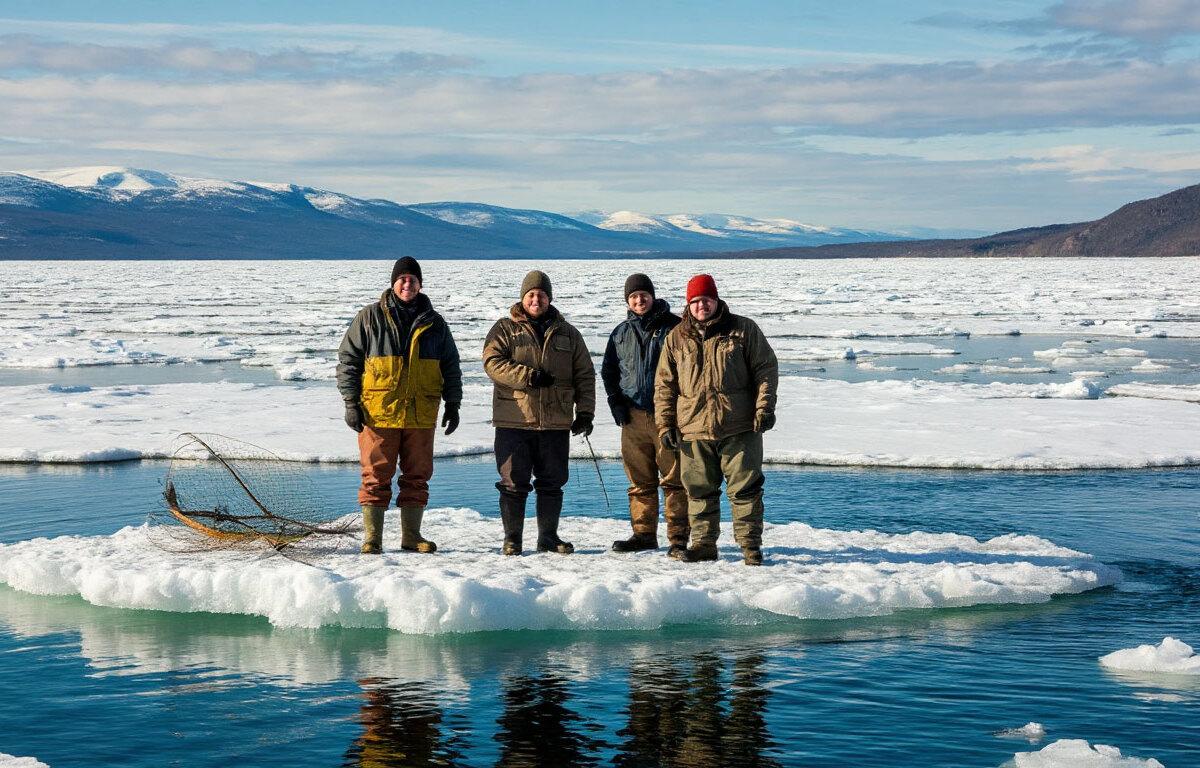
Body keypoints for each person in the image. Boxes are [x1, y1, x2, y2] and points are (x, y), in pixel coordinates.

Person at [337, 256, 462, 554]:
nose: (408, 284)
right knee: (375, 476)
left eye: (413, 279)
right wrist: (351, 402)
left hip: (420, 413)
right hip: (378, 412)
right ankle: (373, 538)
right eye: (402, 279)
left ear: (420, 284)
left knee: (417, 476)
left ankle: (411, 536)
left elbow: (451, 365)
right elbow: (348, 362)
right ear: (393, 283)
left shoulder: (435, 323)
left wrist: (453, 403)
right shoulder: (369, 318)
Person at [654, 274, 778, 565]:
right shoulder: (677, 337)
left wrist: (764, 408)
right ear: (688, 304)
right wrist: (665, 424)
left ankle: (750, 547)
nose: (701, 306)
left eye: (706, 300)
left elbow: (766, 370)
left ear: (716, 300)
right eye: (695, 301)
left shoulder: (743, 329)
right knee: (699, 491)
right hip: (693, 427)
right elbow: (664, 385)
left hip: (739, 426)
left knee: (745, 490)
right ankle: (704, 545)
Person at [482, 270, 596, 555]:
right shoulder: (505, 329)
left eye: (542, 295)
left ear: (549, 298)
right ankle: (512, 539)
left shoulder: (568, 334)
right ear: (523, 298)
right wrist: (528, 376)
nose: (536, 299)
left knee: (552, 481)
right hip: (514, 419)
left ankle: (548, 536)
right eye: (531, 294)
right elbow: (492, 363)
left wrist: (585, 413)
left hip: (555, 421)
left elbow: (585, 375)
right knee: (513, 481)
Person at [601, 273, 688, 556]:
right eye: (633, 296)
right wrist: (615, 401)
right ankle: (643, 534)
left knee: (674, 479)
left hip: (668, 416)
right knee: (639, 481)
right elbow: (609, 371)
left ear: (652, 295)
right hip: (633, 416)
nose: (639, 300)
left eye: (643, 295)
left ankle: (677, 538)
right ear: (628, 300)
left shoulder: (676, 328)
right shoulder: (621, 332)